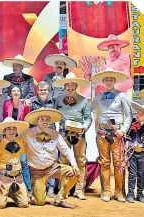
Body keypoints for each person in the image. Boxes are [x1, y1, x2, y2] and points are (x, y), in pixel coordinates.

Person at [23, 108, 79, 208]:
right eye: (42, 119)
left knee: (74, 173)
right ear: (37, 121)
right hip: (36, 172)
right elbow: (14, 140)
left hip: (52, 167)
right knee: (40, 202)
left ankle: (60, 199)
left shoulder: (55, 134)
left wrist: (74, 164)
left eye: (47, 119)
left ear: (50, 121)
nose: (45, 122)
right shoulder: (28, 133)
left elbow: (66, 150)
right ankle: (33, 193)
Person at [91, 67, 132, 202]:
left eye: (111, 80)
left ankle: (119, 192)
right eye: (106, 80)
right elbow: (90, 111)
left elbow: (129, 115)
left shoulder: (122, 96)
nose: (108, 82)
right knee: (104, 163)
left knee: (119, 163)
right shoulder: (98, 97)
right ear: (103, 81)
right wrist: (95, 127)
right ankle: (106, 191)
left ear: (114, 81)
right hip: (102, 134)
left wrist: (123, 130)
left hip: (117, 134)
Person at [54, 72, 92, 200]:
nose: (70, 87)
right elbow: (54, 115)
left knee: (80, 160)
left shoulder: (83, 100)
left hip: (79, 134)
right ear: (65, 86)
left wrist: (84, 127)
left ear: (76, 85)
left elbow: (88, 118)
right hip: (64, 133)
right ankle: (63, 188)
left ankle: (79, 190)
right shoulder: (58, 100)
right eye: (67, 85)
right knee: (63, 160)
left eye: (72, 85)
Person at [0, 117, 29, 209]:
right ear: (4, 131)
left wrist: (27, 147)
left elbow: (28, 153)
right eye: (9, 129)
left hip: (18, 177)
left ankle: (12, 193)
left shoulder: (20, 142)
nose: (12, 131)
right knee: (0, 205)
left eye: (14, 129)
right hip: (4, 178)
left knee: (24, 204)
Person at [27, 81, 57, 198]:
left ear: (48, 91)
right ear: (37, 91)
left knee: (52, 159)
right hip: (36, 135)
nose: (43, 92)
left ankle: (50, 188)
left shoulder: (54, 101)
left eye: (45, 90)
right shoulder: (31, 101)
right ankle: (35, 186)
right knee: (35, 160)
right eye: (40, 90)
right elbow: (28, 117)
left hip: (50, 134)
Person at [126, 102, 144, 203]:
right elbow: (127, 137)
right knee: (132, 173)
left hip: (142, 153)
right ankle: (130, 193)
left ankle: (140, 193)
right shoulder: (132, 125)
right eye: (137, 113)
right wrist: (128, 144)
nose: (137, 116)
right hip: (132, 153)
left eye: (140, 114)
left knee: (141, 174)